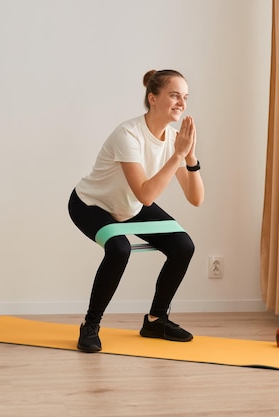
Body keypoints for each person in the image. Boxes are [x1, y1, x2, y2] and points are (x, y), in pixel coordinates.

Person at [68, 69, 204, 352]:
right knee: (119, 249)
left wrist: (190, 158)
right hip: (92, 204)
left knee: (183, 246)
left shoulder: (173, 139)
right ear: (152, 98)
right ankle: (90, 326)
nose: (182, 103)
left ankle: (156, 320)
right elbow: (146, 194)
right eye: (174, 95)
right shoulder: (128, 134)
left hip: (129, 205)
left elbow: (196, 198)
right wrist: (177, 154)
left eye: (185, 97)